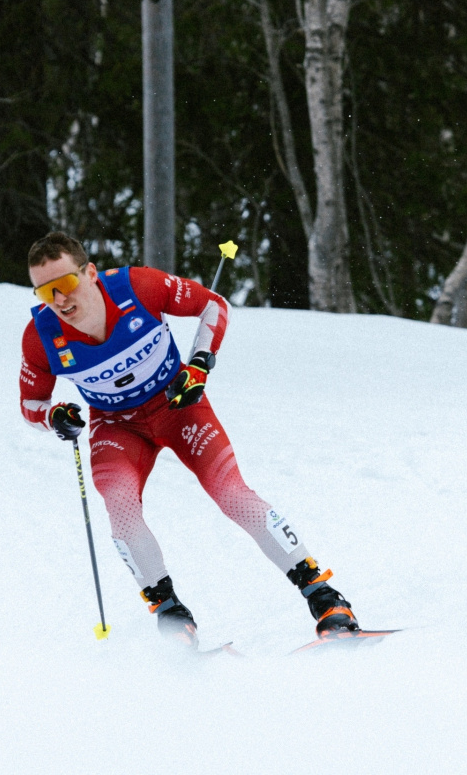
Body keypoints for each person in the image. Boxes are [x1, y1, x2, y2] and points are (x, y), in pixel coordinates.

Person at [19, 232, 359, 647]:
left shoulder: (136, 286)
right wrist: (56, 416)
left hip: (178, 405)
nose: (59, 300)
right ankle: (172, 617)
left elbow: (213, 305)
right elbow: (31, 405)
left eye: (66, 284)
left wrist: (199, 364)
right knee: (121, 510)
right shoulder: (39, 336)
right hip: (117, 427)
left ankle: (324, 597)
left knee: (231, 493)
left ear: (89, 273)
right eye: (44, 290)